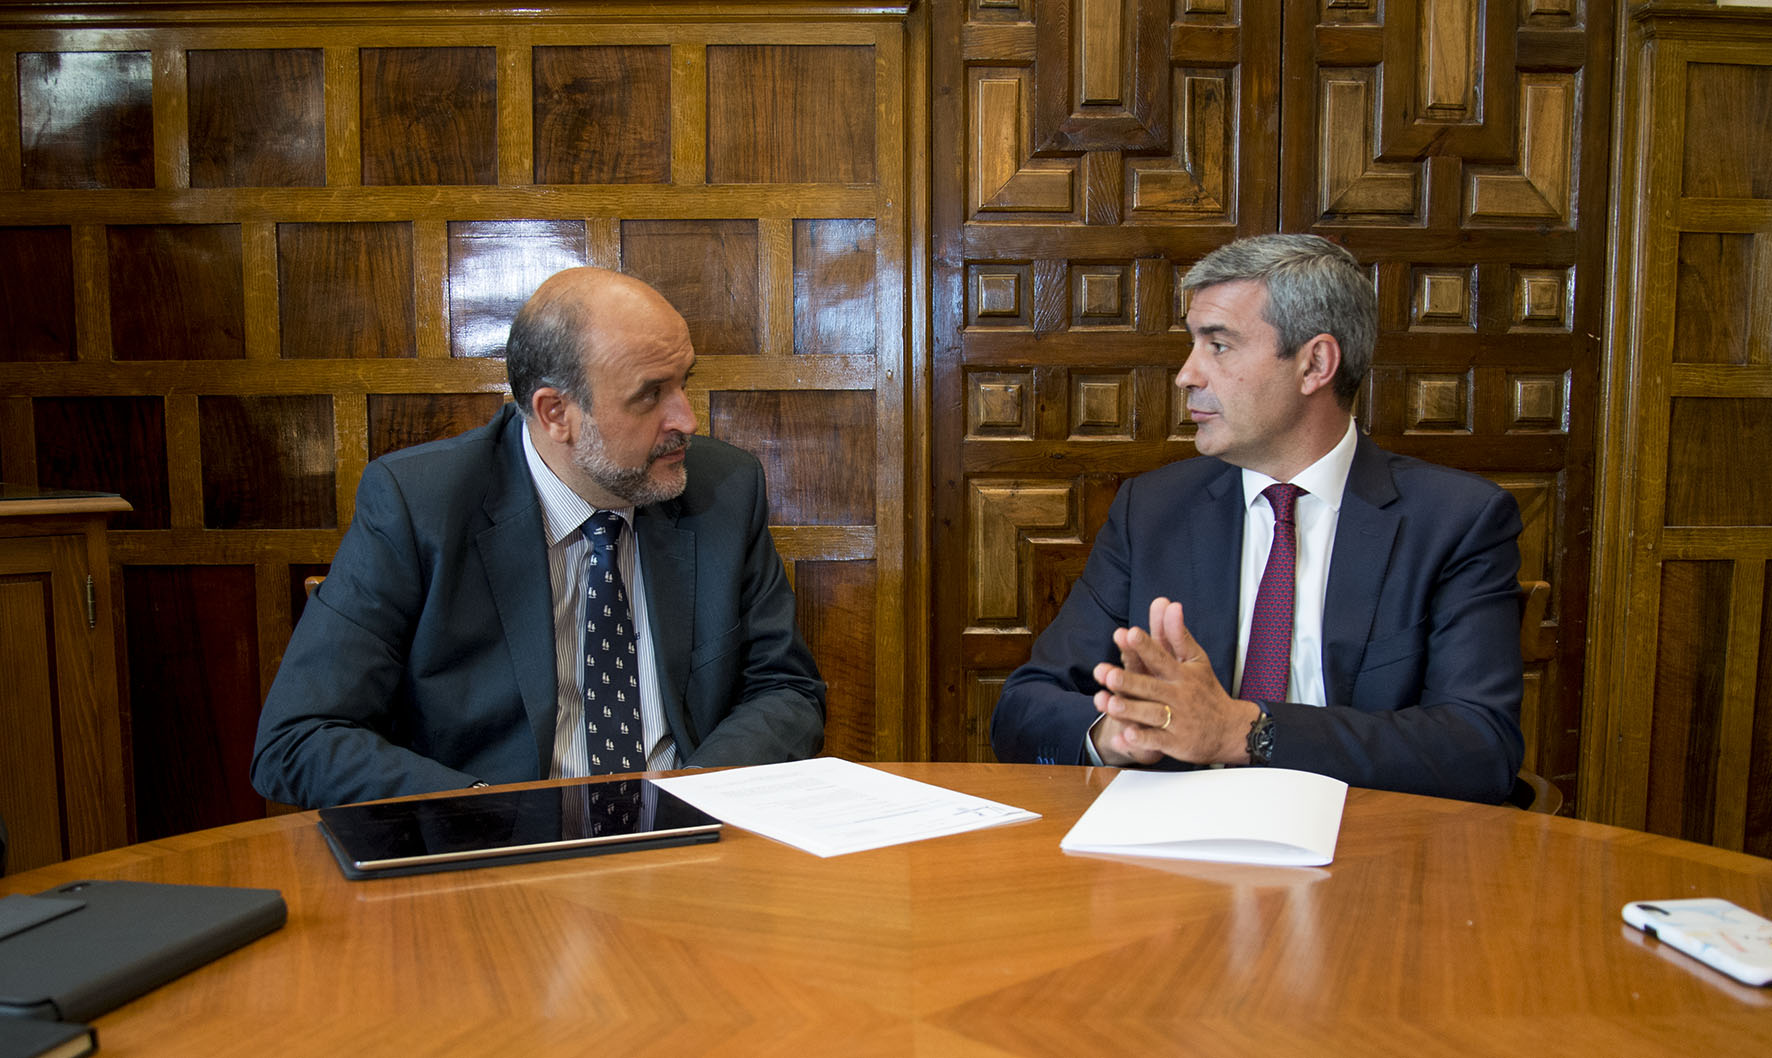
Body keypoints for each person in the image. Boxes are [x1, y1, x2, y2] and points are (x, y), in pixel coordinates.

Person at [252, 267, 825, 809]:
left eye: (684, 384)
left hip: (691, 846)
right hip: (499, 858)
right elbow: (299, 737)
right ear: (555, 413)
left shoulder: (723, 490)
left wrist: (696, 795)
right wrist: (495, 814)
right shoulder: (420, 505)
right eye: (650, 395)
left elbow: (786, 689)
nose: (687, 419)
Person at [989, 234, 1523, 803]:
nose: (1186, 375)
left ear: (1314, 363)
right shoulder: (1151, 510)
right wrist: (1114, 735)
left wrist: (1243, 731)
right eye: (1193, 345)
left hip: (1369, 852)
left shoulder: (1457, 521)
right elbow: (1025, 707)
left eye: (1218, 346)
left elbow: (1479, 747)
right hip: (1177, 855)